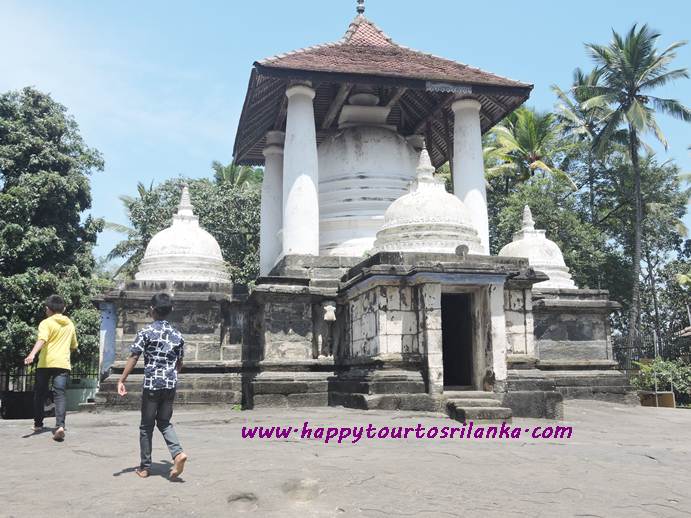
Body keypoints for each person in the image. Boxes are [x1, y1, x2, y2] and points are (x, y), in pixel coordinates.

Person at [118, 293, 188, 479]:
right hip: (170, 384)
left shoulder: (145, 332)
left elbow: (134, 356)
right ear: (171, 310)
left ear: (151, 310)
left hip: (152, 385)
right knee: (164, 422)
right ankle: (177, 453)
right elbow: (179, 363)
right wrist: (170, 376)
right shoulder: (178, 335)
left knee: (146, 426)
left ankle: (145, 467)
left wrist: (121, 379)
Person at [24, 294, 78, 442]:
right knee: (59, 394)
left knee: (40, 394)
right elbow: (74, 345)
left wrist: (32, 354)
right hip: (62, 364)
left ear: (48, 309)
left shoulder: (46, 323)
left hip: (45, 363)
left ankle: (38, 424)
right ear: (64, 308)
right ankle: (60, 426)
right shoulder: (70, 324)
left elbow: (42, 339)